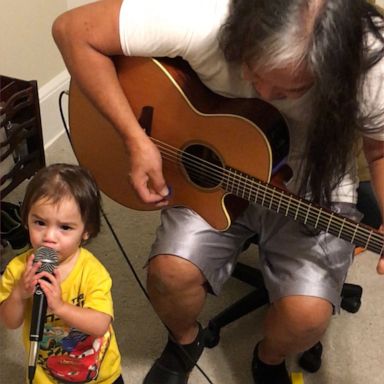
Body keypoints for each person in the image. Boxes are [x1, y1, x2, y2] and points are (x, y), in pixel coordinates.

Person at [52, 1, 384, 383]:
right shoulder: (201, 15)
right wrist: (133, 138)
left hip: (312, 179)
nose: (262, 91)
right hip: (217, 160)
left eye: (289, 89)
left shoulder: (369, 65)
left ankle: (269, 359)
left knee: (307, 316)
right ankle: (185, 340)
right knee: (169, 274)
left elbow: (379, 148)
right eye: (252, 71)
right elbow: (71, 31)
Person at [0, 164, 124, 383]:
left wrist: (60, 307)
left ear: (87, 231)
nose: (49, 236)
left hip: (98, 374)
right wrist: (19, 294)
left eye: (65, 227)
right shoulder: (18, 269)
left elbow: (100, 324)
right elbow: (10, 322)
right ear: (26, 219)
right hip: (46, 376)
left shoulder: (92, 271)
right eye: (39, 223)